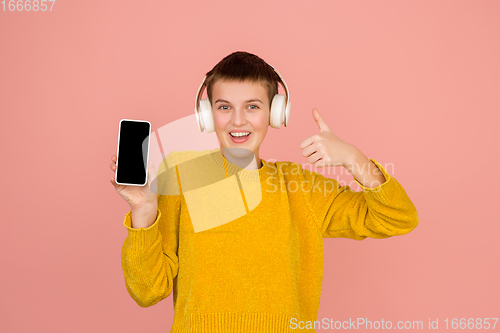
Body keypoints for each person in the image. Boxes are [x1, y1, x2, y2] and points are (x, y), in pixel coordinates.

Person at [109, 51, 418, 332]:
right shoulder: (178, 179)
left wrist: (354, 158)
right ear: (207, 115)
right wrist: (143, 210)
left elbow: (398, 218)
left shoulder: (302, 187)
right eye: (224, 107)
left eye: (252, 107)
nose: (238, 120)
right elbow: (147, 291)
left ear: (275, 112)